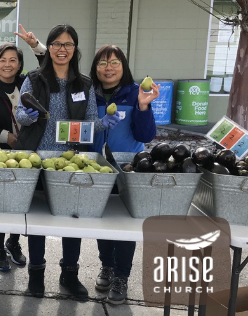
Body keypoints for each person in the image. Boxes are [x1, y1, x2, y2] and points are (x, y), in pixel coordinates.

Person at [15, 24, 107, 300]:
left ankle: (70, 274)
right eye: (56, 44)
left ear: (75, 49)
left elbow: (90, 122)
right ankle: (36, 273)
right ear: (49, 47)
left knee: (72, 218)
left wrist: (104, 124)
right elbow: (20, 116)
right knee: (37, 219)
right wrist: (30, 114)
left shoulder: (84, 84)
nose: (62, 49)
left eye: (68, 44)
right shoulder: (34, 79)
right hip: (35, 156)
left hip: (69, 160)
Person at [89, 44, 159, 304]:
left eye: (115, 62)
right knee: (103, 221)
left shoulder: (135, 92)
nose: (109, 68)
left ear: (124, 66)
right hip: (98, 168)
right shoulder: (89, 94)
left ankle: (121, 276)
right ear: (95, 69)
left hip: (128, 169)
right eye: (103, 63)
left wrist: (143, 107)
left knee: (126, 226)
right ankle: (106, 266)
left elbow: (146, 136)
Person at [0, 43, 27, 271]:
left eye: (13, 60)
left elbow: (46, 64)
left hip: (27, 152)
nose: (7, 64)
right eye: (2, 60)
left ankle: (14, 241)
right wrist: (5, 136)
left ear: (20, 64)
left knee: (19, 200)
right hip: (0, 152)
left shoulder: (28, 84)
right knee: (1, 202)